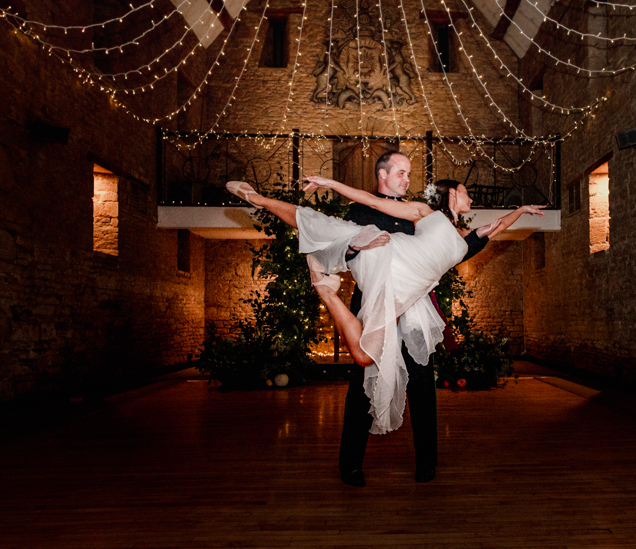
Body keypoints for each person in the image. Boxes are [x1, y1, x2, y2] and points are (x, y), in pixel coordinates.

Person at [224, 175, 543, 438]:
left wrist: (522, 209)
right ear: (450, 195)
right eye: (465, 193)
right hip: (391, 257)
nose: (470, 198)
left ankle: (325, 288)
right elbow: (374, 201)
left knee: (364, 354)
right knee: (327, 228)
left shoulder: (469, 237)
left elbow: (500, 224)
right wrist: (332, 184)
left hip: (405, 292)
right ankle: (260, 200)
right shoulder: (425, 213)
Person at [336, 153, 491, 487]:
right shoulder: (359, 211)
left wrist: (482, 235)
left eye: (409, 174)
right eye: (401, 173)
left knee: (421, 385)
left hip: (416, 312)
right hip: (375, 308)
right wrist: (351, 248)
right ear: (382, 174)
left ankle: (426, 462)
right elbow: (339, 253)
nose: (408, 180)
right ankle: (350, 464)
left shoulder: (418, 214)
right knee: (363, 386)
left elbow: (449, 250)